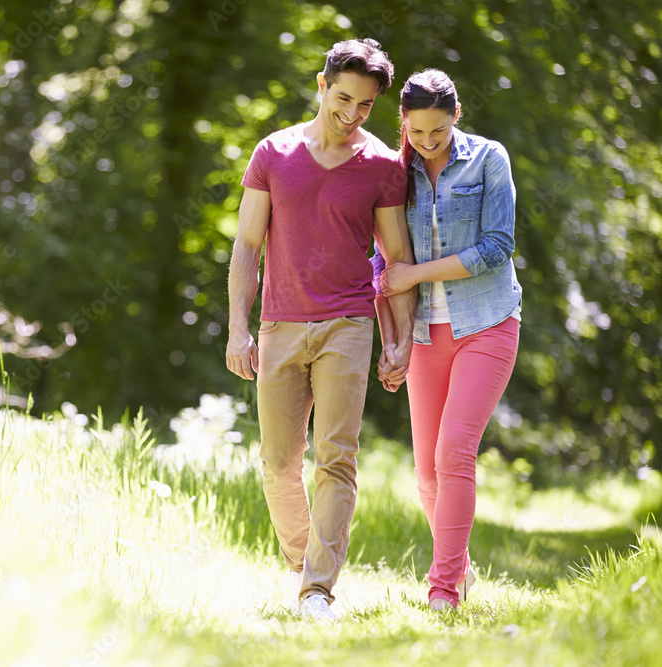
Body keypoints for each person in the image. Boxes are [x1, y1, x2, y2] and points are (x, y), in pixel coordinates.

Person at [225, 38, 417, 621]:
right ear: (321, 84)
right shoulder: (273, 153)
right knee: (279, 463)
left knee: (336, 458)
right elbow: (247, 246)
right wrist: (237, 329)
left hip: (348, 324)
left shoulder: (382, 165)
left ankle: (317, 589)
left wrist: (400, 337)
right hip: (280, 323)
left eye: (365, 104)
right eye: (344, 98)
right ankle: (303, 559)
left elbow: (396, 257)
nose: (352, 113)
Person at [373, 68, 522, 611]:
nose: (428, 142)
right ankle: (460, 570)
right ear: (403, 123)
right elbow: (383, 265)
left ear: (457, 115)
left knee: (454, 451)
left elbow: (497, 246)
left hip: (487, 322)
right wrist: (392, 340)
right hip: (423, 333)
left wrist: (416, 273)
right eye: (416, 132)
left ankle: (442, 592)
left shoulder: (488, 159)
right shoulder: (394, 173)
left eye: (438, 130)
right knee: (426, 473)